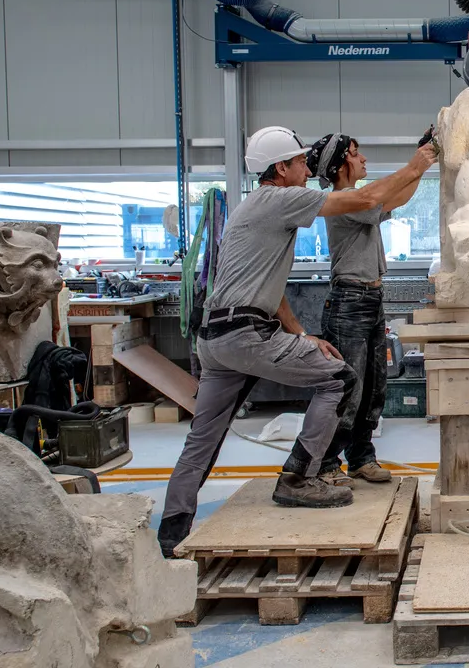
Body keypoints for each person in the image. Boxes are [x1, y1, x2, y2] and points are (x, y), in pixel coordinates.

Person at [157, 126, 437, 557]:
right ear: (280, 168)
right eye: (301, 163)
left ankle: (172, 532)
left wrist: (302, 335)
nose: (308, 171)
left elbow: (272, 291)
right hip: (247, 334)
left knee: (203, 438)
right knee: (340, 378)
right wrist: (419, 163)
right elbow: (366, 198)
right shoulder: (278, 198)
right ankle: (299, 477)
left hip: (216, 337)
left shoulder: (255, 208)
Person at [313, 135, 423, 486]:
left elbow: (398, 197)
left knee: (374, 387)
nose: (363, 159)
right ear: (339, 165)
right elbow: (381, 195)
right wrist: (416, 163)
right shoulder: (343, 200)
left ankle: (360, 458)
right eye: (355, 154)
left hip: (370, 299)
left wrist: (422, 165)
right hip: (349, 301)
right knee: (348, 388)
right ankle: (326, 463)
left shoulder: (361, 201)